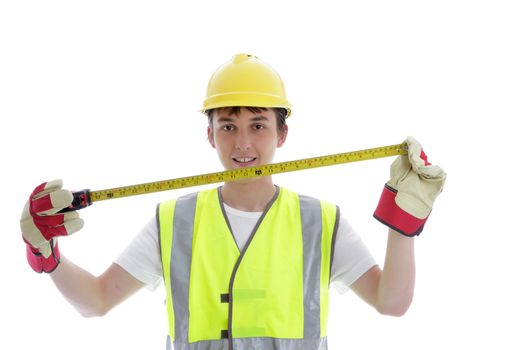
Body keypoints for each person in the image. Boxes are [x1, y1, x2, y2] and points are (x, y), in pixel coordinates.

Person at [20, 54, 446, 350]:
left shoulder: (320, 221)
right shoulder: (175, 221)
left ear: (282, 135)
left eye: (258, 125)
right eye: (228, 126)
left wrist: (402, 224)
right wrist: (47, 256)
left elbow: (392, 303)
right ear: (210, 135)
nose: (243, 143)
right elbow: (96, 300)